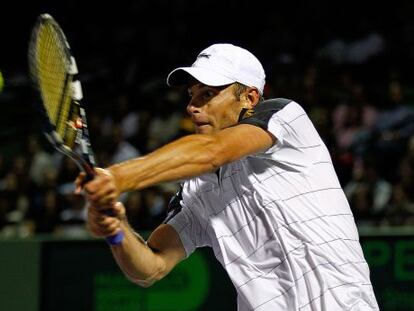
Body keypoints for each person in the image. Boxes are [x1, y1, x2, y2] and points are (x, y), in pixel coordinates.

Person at [76, 43, 379, 310]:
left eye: (208, 94)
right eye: (192, 95)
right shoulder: (195, 192)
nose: (192, 106)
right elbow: (150, 267)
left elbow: (212, 152)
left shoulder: (285, 118)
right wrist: (116, 230)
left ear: (249, 98)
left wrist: (116, 177)